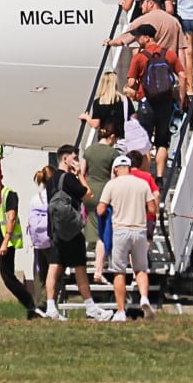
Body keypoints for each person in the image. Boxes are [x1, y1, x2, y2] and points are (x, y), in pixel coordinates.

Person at [37, 147, 109, 320]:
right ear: (65, 158)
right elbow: (88, 195)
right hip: (71, 230)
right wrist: (80, 175)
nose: (77, 161)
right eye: (74, 158)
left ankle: (51, 307)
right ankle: (91, 307)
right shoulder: (69, 178)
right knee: (80, 268)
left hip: (56, 230)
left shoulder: (52, 180)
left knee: (54, 267)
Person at [96, 154, 158, 322]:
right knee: (140, 269)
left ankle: (121, 311)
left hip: (121, 231)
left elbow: (100, 210)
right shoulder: (142, 184)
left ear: (115, 169)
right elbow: (152, 209)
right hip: (139, 230)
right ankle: (144, 297)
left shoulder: (112, 185)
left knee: (119, 271)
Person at [124, 23, 185, 186]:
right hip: (165, 104)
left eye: (138, 37)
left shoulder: (139, 57)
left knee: (144, 142)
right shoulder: (169, 54)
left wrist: (135, 91)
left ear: (146, 37)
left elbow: (131, 82)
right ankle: (159, 177)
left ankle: (145, 175)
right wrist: (180, 98)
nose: (137, 39)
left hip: (147, 103)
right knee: (162, 142)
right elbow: (182, 74)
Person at [0, 164, 39, 320]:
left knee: (9, 279)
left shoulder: (9, 195)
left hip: (3, 244)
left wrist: (5, 242)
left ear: (1, 177)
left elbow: (11, 218)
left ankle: (30, 305)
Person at [82, 125, 120, 284]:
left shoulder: (89, 150)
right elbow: (113, 176)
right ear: (112, 137)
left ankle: (88, 254)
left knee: (91, 223)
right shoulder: (113, 153)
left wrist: (84, 188)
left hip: (89, 190)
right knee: (102, 231)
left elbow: (82, 171)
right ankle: (100, 264)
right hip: (104, 191)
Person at [79, 71, 126, 139]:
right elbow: (133, 117)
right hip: (121, 137)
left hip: (105, 137)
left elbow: (95, 124)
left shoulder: (99, 102)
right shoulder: (124, 100)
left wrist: (86, 117)